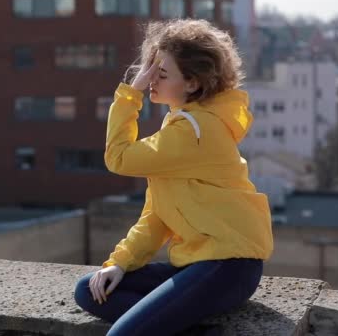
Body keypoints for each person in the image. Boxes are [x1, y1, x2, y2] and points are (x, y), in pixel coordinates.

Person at [73, 18, 274, 336]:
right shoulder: (181, 125)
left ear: (192, 83)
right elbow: (157, 215)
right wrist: (120, 262)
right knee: (90, 290)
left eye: (160, 73)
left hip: (229, 266)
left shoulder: (195, 132)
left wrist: (130, 94)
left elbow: (118, 157)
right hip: (198, 263)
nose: (149, 78)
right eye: (150, 68)